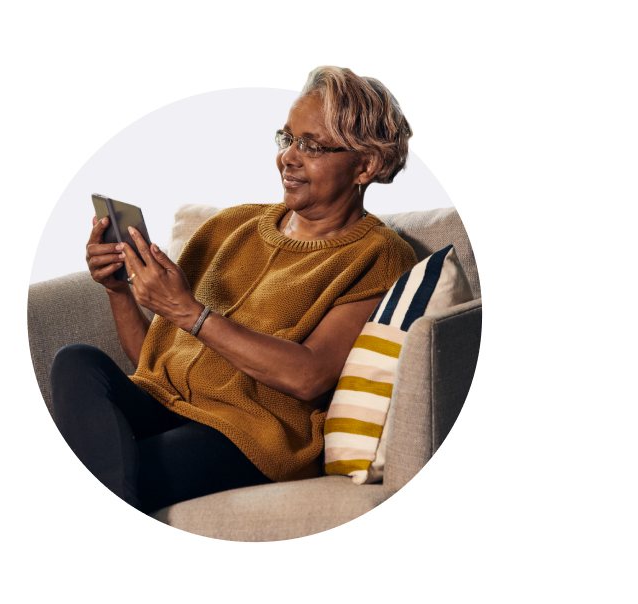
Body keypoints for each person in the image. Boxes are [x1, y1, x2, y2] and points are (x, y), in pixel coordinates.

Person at [50, 65, 419, 514]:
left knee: (115, 467)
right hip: (162, 404)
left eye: (312, 145)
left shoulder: (377, 254)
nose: (289, 157)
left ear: (366, 164)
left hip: (248, 435)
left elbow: (310, 376)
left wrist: (191, 313)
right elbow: (153, 362)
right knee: (77, 361)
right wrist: (119, 291)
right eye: (287, 139)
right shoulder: (231, 226)